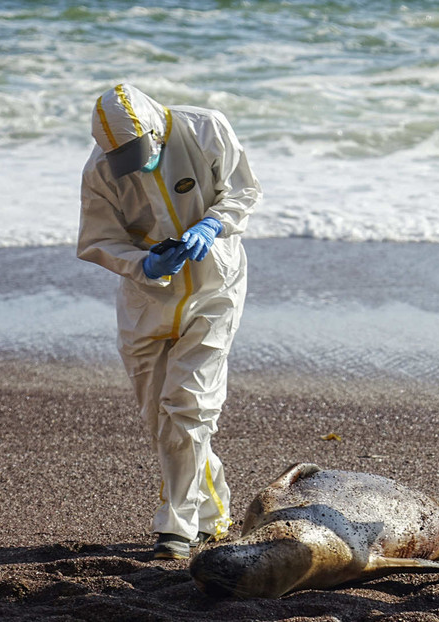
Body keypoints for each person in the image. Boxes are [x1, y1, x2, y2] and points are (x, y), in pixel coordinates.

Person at [78, 84, 262, 560]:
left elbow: (243, 190)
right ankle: (212, 511)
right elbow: (98, 239)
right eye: (124, 159)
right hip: (147, 301)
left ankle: (176, 529)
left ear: (157, 128)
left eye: (141, 154)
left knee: (188, 407)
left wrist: (212, 224)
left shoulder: (206, 129)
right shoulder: (103, 169)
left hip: (213, 290)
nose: (135, 166)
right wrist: (142, 264)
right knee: (162, 419)